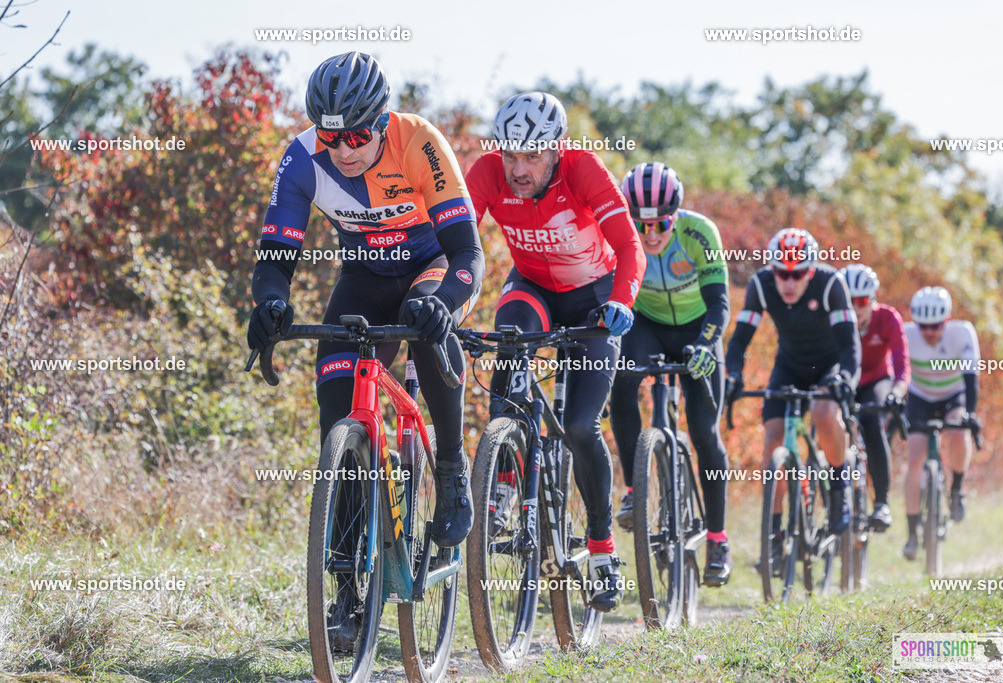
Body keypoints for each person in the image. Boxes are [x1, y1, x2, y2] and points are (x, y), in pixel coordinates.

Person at [247, 52, 483, 646]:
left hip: (432, 268)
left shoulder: (419, 142)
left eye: (356, 136)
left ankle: (450, 466)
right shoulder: (302, 159)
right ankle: (348, 592)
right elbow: (275, 256)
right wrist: (270, 303)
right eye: (332, 137)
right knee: (336, 410)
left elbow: (467, 253)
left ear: (381, 122)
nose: (344, 150)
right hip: (364, 277)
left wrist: (445, 304)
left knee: (424, 324)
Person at [465, 91, 645, 612]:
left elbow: (629, 246)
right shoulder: (488, 173)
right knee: (509, 343)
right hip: (533, 289)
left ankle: (602, 547)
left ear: (556, 149)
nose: (518, 169)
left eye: (532, 156)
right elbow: (456, 240)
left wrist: (622, 301)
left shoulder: (584, 169)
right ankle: (503, 482)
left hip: (595, 299)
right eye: (510, 155)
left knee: (581, 427)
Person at [607, 162, 733, 586]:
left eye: (660, 224)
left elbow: (720, 303)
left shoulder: (700, 233)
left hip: (700, 328)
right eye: (640, 225)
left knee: (705, 433)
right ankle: (633, 490)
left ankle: (718, 538)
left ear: (675, 215)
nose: (650, 235)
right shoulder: (620, 233)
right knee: (623, 377)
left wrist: (707, 344)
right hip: (648, 325)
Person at [724, 228, 861, 570]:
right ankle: (773, 538)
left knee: (824, 412)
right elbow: (739, 340)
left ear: (810, 271)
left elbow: (850, 345)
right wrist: (733, 375)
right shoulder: (761, 285)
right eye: (781, 273)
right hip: (789, 366)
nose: (788, 282)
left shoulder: (830, 284)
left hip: (829, 365)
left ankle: (839, 484)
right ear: (772, 269)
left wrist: (845, 379)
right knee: (772, 440)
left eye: (797, 274)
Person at [901, 286, 981, 560]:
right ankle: (912, 533)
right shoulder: (906, 334)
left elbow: (971, 378)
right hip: (920, 396)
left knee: (959, 430)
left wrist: (970, 413)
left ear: (946, 320)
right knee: (915, 455)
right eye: (923, 326)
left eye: (935, 326)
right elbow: (896, 372)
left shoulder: (963, 332)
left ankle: (957, 488)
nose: (929, 332)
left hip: (952, 395)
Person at [838, 264, 910, 532]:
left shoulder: (888, 318)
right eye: (848, 301)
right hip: (844, 380)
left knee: (871, 423)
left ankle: (881, 502)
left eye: (861, 301)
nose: (855, 308)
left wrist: (896, 394)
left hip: (876, 381)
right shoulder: (833, 319)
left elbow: (902, 366)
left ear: (872, 300)